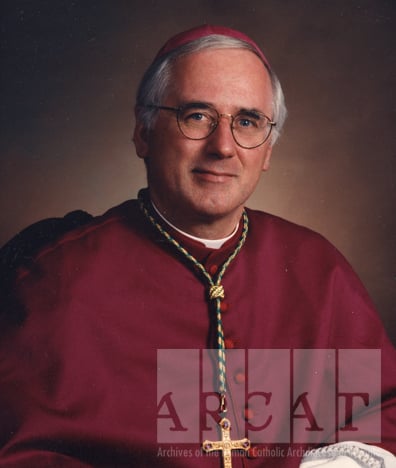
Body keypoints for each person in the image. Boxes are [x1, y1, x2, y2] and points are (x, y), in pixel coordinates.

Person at [0, 24, 395, 468]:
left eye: (247, 121)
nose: (223, 146)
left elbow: (383, 409)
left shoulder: (316, 266)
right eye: (197, 116)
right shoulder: (56, 278)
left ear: (267, 152)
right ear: (143, 133)